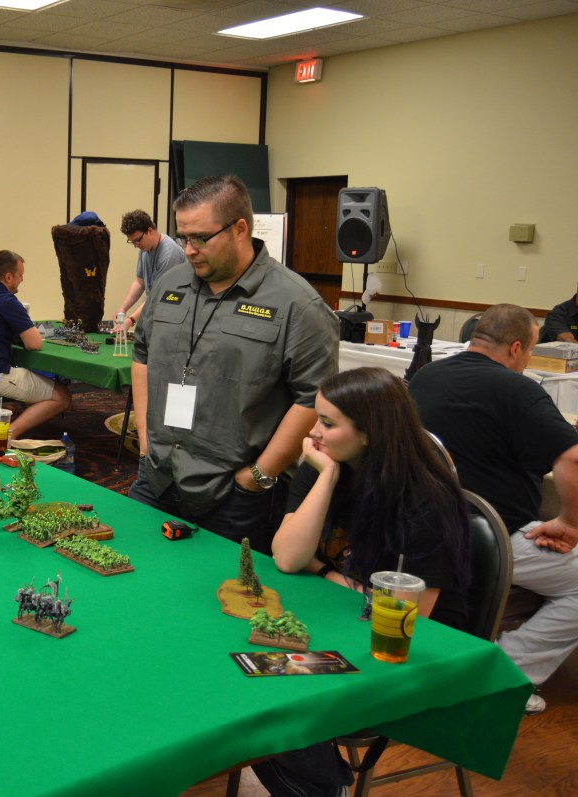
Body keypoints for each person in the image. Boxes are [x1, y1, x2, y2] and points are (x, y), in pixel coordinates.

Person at [256, 367, 472, 797]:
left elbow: (406, 613)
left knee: (270, 685)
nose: (313, 433)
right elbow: (288, 558)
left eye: (328, 423)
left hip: (404, 656)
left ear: (371, 433)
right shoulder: (325, 465)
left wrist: (323, 570)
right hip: (343, 624)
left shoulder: (426, 499)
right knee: (242, 671)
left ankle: (321, 787)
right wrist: (326, 477)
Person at [127, 175, 339, 553]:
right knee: (132, 570)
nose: (189, 250)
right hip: (158, 475)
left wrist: (257, 476)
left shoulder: (296, 304)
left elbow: (314, 398)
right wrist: (144, 437)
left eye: (200, 238)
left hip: (232, 494)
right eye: (183, 237)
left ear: (240, 229)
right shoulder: (170, 285)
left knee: (220, 588)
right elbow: (141, 353)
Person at [410, 303, 578, 715]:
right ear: (516, 348)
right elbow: (572, 458)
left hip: (423, 530)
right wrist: (569, 523)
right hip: (490, 537)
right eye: (531, 350)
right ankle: (501, 674)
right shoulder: (518, 390)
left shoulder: (426, 376)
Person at [0, 250, 71, 439]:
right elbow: (34, 344)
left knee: (34, 382)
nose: (22, 280)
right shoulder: (7, 301)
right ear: (8, 277)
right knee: (63, 396)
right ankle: (9, 433)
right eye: (20, 275)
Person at [111, 209, 185, 333]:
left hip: (172, 317)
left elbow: (157, 295)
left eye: (137, 240)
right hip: (154, 312)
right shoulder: (145, 249)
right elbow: (139, 283)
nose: (135, 245)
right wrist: (122, 309)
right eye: (132, 242)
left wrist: (131, 320)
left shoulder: (169, 254)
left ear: (150, 231)